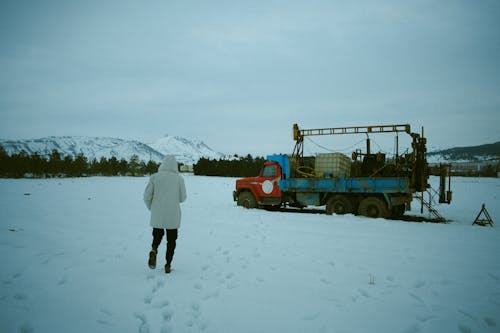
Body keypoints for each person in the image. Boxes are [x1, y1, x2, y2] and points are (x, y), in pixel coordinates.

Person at [144, 155, 187, 273]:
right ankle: (168, 264)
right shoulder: (179, 179)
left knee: (157, 235)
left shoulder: (154, 177)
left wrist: (152, 209)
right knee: (171, 240)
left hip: (157, 214)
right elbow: (183, 198)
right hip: (173, 215)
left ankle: (154, 250)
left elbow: (147, 196)